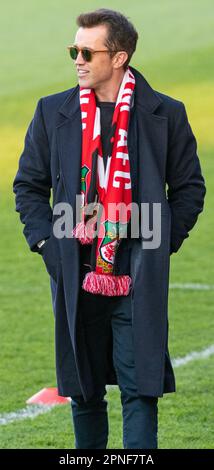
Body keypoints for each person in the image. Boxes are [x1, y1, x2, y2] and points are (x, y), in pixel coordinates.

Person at [13, 8, 206, 449]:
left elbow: (190, 187)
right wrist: (46, 243)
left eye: (87, 51)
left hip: (137, 267)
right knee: (83, 388)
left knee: (140, 388)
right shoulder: (51, 112)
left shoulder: (165, 113)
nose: (77, 60)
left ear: (118, 58)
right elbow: (28, 185)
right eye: (73, 50)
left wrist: (161, 242)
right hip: (74, 265)